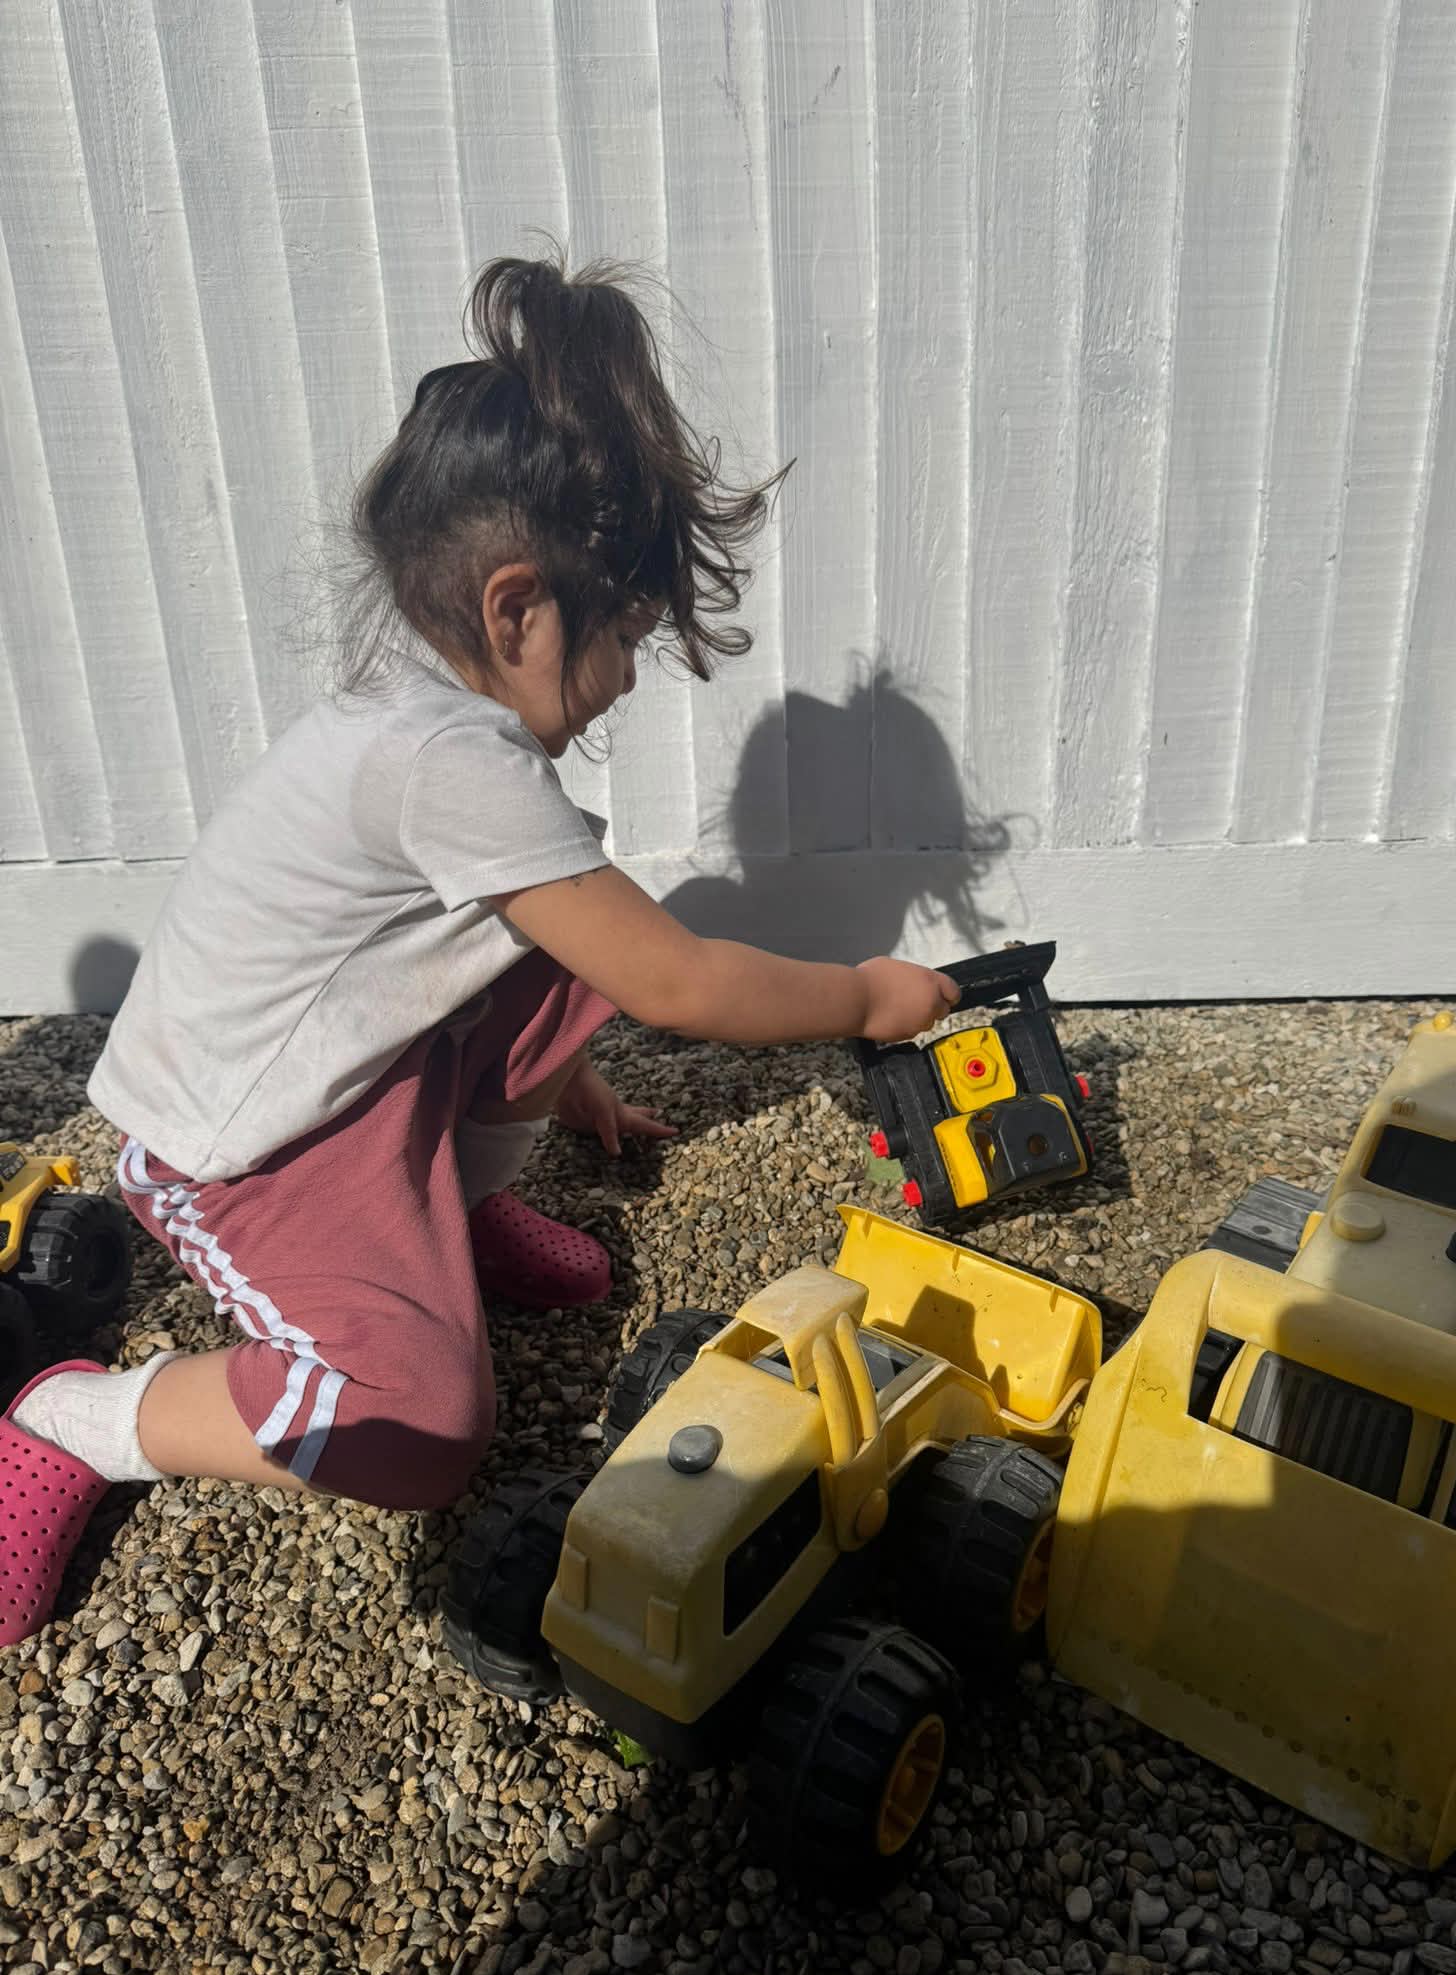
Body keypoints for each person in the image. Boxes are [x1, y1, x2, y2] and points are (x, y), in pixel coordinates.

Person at [0, 256, 957, 1647]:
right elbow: (676, 983)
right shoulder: (440, 763)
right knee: (422, 1423)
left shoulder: (435, 730)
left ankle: (434, 1213)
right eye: (624, 635)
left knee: (568, 929)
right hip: (233, 1153)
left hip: (337, 1085)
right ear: (517, 609)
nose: (629, 676)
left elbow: (498, 955)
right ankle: (73, 1424)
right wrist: (866, 992)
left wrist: (573, 1088)